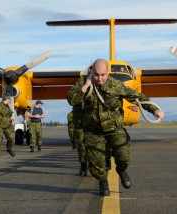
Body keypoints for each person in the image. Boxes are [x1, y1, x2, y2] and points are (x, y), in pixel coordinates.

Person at [67, 59, 164, 196]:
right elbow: (71, 99)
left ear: (108, 73)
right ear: (91, 73)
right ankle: (103, 181)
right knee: (95, 166)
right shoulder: (83, 82)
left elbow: (138, 97)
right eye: (96, 75)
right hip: (94, 131)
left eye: (103, 75)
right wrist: (86, 85)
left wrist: (154, 110)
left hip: (114, 129)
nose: (100, 78)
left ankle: (121, 170)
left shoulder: (116, 85)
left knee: (124, 157)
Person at [0, 93, 16, 159]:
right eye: (10, 99)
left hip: (8, 125)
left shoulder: (7, 106)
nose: (11, 100)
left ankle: (9, 149)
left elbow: (9, 115)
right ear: (7, 99)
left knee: (10, 138)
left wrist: (14, 119)